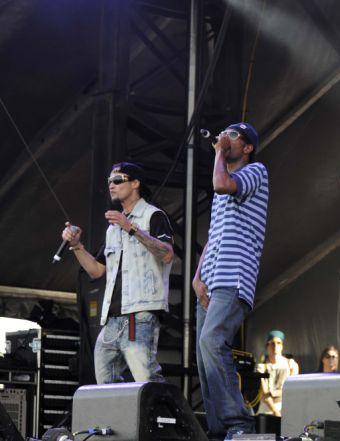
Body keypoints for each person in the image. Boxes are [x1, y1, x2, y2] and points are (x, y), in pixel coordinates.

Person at [61, 162, 173, 384]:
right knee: (105, 381)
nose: (111, 185)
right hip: (112, 317)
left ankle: (160, 417)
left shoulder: (153, 216)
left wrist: (131, 228)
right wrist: (76, 246)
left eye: (118, 180)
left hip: (140, 314)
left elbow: (167, 254)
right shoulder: (113, 228)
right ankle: (116, 420)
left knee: (146, 379)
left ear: (135, 183)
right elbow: (97, 270)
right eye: (109, 181)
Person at [192, 122, 268, 440]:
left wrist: (219, 154)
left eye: (233, 136)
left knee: (213, 343)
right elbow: (213, 237)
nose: (225, 139)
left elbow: (222, 184)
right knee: (202, 351)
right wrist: (197, 277)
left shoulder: (255, 172)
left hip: (234, 277)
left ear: (248, 147)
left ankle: (238, 421)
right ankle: (217, 429)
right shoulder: (224, 183)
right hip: (211, 278)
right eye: (223, 135)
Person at [257, 330, 299, 417]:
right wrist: (275, 412)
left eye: (278, 343)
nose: (275, 346)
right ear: (267, 346)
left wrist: (272, 393)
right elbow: (264, 394)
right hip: (266, 411)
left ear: (282, 346)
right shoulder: (261, 367)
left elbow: (291, 390)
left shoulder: (291, 364)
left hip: (286, 408)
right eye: (272, 343)